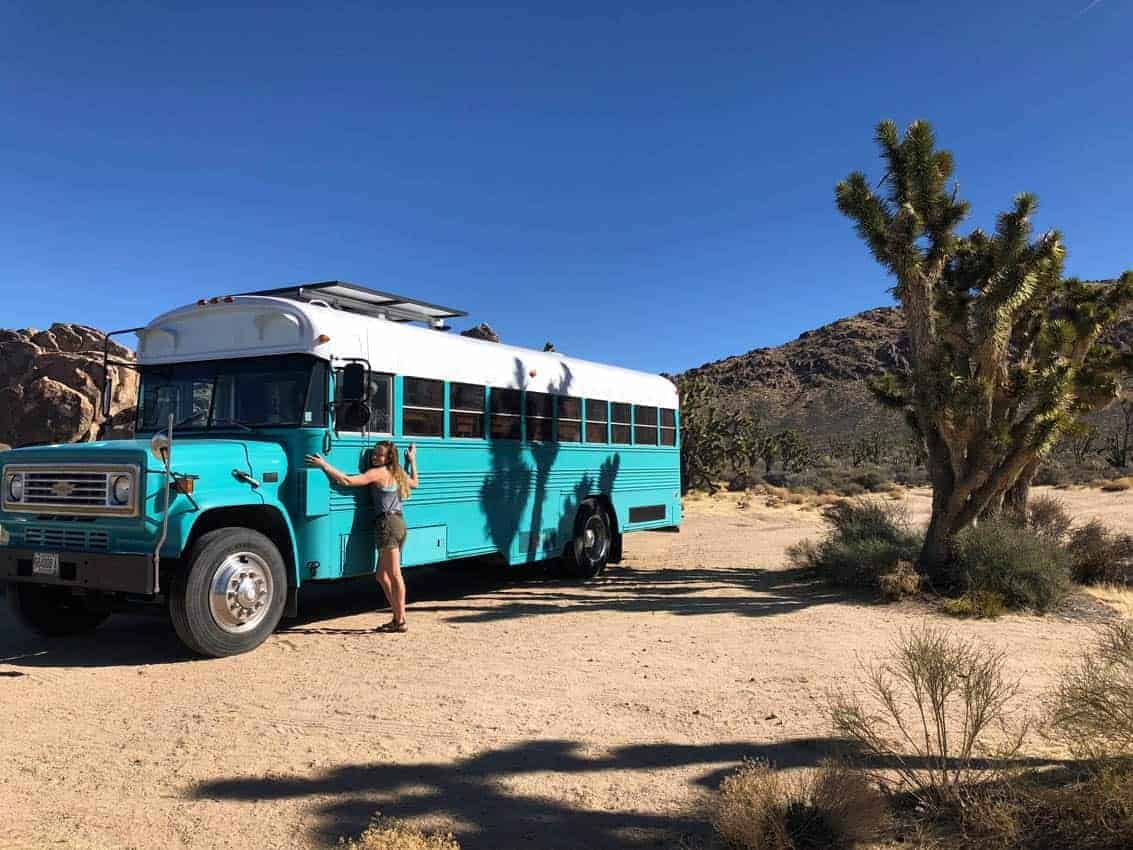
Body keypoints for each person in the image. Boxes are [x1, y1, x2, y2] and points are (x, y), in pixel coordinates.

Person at [305, 441, 419, 632]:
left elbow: (347, 481)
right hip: (399, 524)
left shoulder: (378, 473)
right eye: (374, 454)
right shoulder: (398, 472)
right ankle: (397, 617)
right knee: (382, 575)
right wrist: (413, 461)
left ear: (388, 458)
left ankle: (400, 620)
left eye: (379, 455)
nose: (374, 457)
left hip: (387, 525)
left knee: (394, 574)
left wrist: (325, 465)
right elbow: (415, 483)